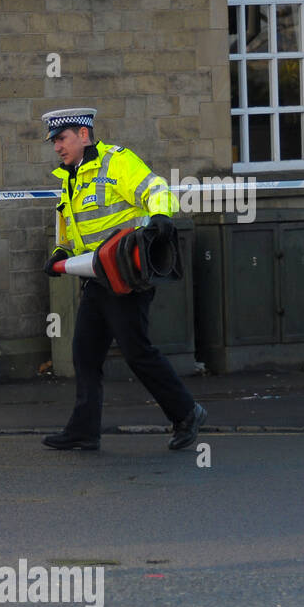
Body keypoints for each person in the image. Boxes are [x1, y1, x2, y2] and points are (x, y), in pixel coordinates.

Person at [40, 107, 206, 452]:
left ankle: (187, 413)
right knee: (84, 353)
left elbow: (155, 187)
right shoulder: (70, 175)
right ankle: (84, 430)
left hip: (126, 275)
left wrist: (161, 215)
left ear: (83, 135)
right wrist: (61, 252)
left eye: (61, 139)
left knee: (137, 352)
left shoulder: (117, 161)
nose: (57, 147)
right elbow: (69, 225)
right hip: (96, 276)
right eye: (54, 141)